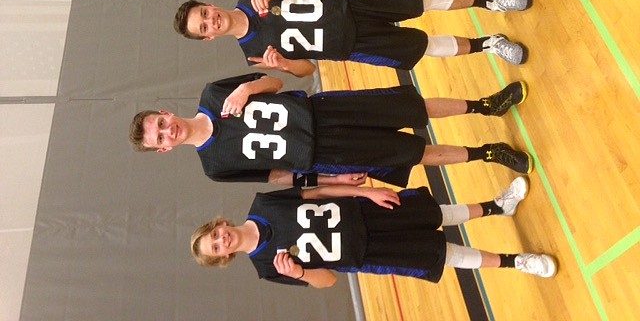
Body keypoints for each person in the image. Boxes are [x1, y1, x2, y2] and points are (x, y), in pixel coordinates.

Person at [129, 73, 533, 188]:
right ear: (164, 150)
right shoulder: (214, 168)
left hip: (323, 111)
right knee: (412, 153)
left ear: (166, 112)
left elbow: (275, 82)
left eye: (161, 124)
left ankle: (486, 106)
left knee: (408, 107)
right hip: (326, 153)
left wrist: (248, 87)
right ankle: (490, 152)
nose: (168, 131)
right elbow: (280, 176)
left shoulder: (214, 92)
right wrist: (334, 178)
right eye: (160, 138)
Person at [190, 177, 557, 287]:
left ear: (220, 225)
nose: (222, 241)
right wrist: (299, 272)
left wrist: (364, 191)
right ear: (224, 257)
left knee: (437, 212)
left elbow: (317, 193)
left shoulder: (263, 205)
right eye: (217, 248)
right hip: (367, 254)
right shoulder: (267, 269)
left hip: (364, 211)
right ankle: (517, 262)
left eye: (215, 235)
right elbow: (328, 282)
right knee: (443, 253)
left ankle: (497, 206)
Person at [174, 0, 531, 74]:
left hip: (350, 5)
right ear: (208, 39)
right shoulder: (252, 54)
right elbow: (306, 72)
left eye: (204, 14)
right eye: (204, 27)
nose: (211, 21)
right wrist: (282, 64)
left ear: (209, 4)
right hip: (351, 47)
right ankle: (490, 43)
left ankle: (493, 1)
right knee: (426, 48)